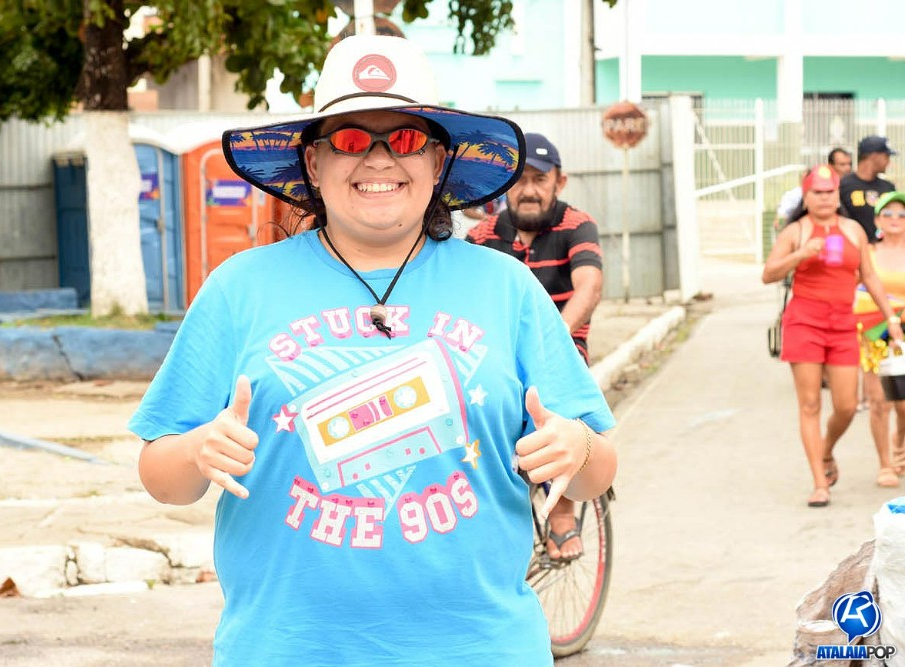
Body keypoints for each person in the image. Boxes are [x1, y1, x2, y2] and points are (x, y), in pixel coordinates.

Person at [129, 34, 617, 666]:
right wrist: (199, 450)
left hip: (482, 650)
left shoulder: (508, 288)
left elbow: (599, 469)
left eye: (406, 139)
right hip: (285, 652)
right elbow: (161, 479)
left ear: (438, 162)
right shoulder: (238, 289)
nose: (380, 159)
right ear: (313, 163)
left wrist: (577, 447)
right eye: (352, 139)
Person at [465, 132, 603, 562]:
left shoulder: (576, 225)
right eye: (520, 179)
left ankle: (561, 513)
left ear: (559, 182)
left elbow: (589, 286)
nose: (529, 189)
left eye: (539, 179)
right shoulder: (481, 236)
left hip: (562, 350)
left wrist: (550, 341)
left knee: (551, 403)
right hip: (494, 352)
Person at [762, 164, 903, 508]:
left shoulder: (853, 230)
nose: (824, 198)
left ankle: (826, 450)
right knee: (810, 404)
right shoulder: (796, 231)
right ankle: (819, 483)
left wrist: (890, 318)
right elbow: (768, 274)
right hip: (804, 323)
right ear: (806, 196)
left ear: (837, 195)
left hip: (842, 324)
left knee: (846, 405)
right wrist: (800, 255)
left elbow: (869, 276)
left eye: (829, 192)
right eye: (817, 192)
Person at [855, 191, 905, 487]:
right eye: (888, 214)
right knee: (879, 401)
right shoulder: (868, 253)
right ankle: (885, 464)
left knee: (903, 405)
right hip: (874, 332)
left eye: (901, 214)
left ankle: (900, 444)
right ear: (877, 220)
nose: (895, 219)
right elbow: (854, 289)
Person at [840, 135, 897, 243]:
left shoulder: (888, 187)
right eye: (886, 156)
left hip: (881, 249)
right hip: (853, 247)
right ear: (874, 156)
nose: (888, 161)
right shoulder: (843, 185)